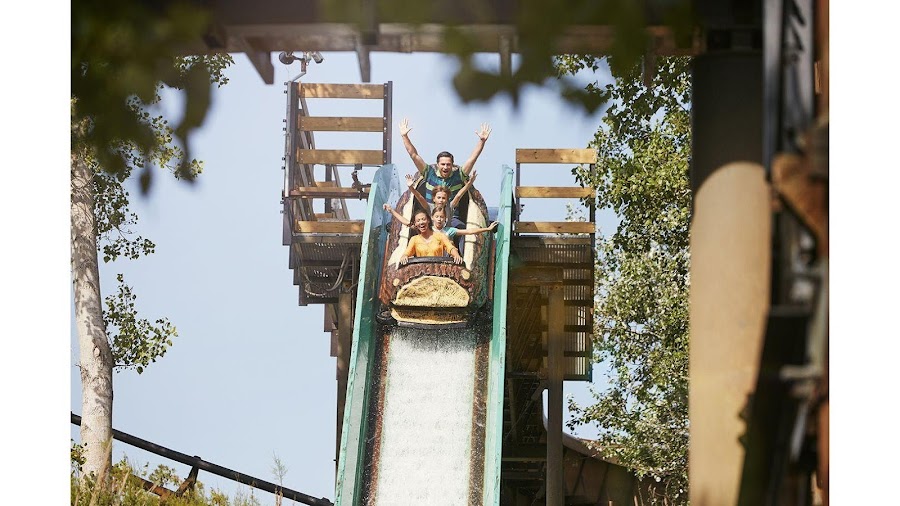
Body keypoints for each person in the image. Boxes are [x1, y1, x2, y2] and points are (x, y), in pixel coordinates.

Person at [398, 118, 491, 205]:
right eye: (443, 164)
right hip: (431, 215)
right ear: (437, 165)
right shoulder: (429, 173)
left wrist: (482, 141)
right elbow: (414, 155)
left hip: (452, 216)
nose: (445, 167)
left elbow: (472, 158)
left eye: (448, 164)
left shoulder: (459, 175)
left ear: (452, 165)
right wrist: (404, 136)